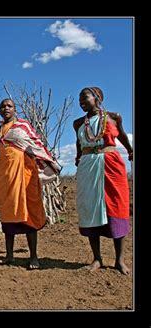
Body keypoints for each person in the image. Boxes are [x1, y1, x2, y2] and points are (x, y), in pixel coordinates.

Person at [0, 98, 60, 270]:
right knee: (8, 214)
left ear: (15, 110)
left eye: (9, 106)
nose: (6, 108)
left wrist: (50, 162)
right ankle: (9, 255)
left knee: (29, 211)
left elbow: (35, 144)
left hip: (24, 173)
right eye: (3, 106)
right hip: (5, 177)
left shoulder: (23, 125)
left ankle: (34, 257)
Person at [73, 87, 132, 275]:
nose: (81, 101)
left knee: (116, 206)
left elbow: (121, 135)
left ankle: (119, 260)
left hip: (110, 164)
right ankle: (97, 258)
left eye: (85, 97)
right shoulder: (78, 123)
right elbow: (78, 142)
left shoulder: (114, 117)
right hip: (88, 166)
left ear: (97, 98)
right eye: (79, 99)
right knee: (90, 207)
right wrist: (77, 157)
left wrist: (130, 150)